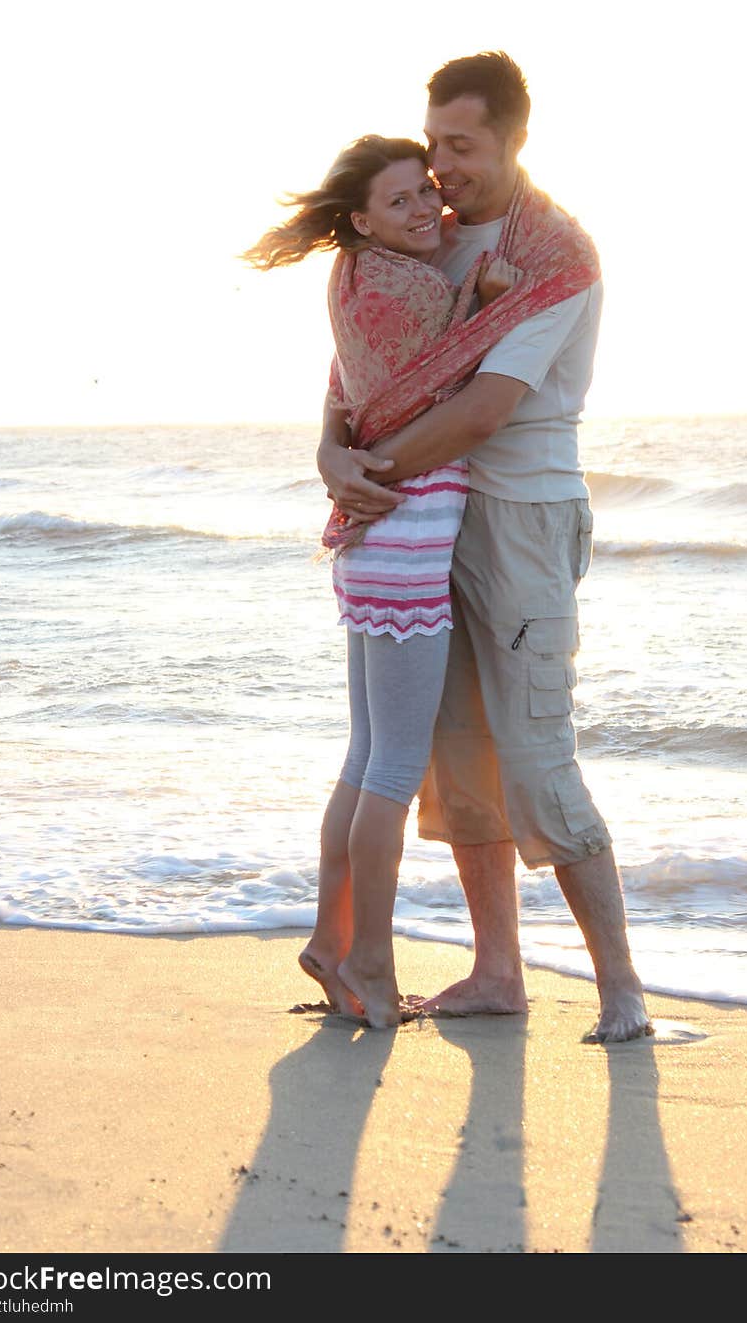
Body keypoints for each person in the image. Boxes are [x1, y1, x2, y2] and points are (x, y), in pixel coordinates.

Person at [317, 53, 653, 1042]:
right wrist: (331, 451)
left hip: (521, 513)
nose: (443, 168)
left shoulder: (556, 257)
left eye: (462, 147)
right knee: (456, 759)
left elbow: (483, 408)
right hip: (431, 518)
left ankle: (621, 988)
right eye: (435, 147)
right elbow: (360, 367)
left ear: (513, 141)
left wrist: (364, 472)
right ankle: (497, 971)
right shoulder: (439, 239)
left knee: (537, 750)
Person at [245, 136, 536, 1027]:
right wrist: (488, 295)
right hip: (407, 541)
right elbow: (454, 374)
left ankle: (333, 943)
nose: (425, 209)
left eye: (425, 194)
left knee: (367, 756)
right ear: (363, 217)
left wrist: (333, 448)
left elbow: (350, 390)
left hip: (373, 548)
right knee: (396, 768)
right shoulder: (410, 284)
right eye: (401, 201)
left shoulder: (353, 278)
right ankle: (369, 961)